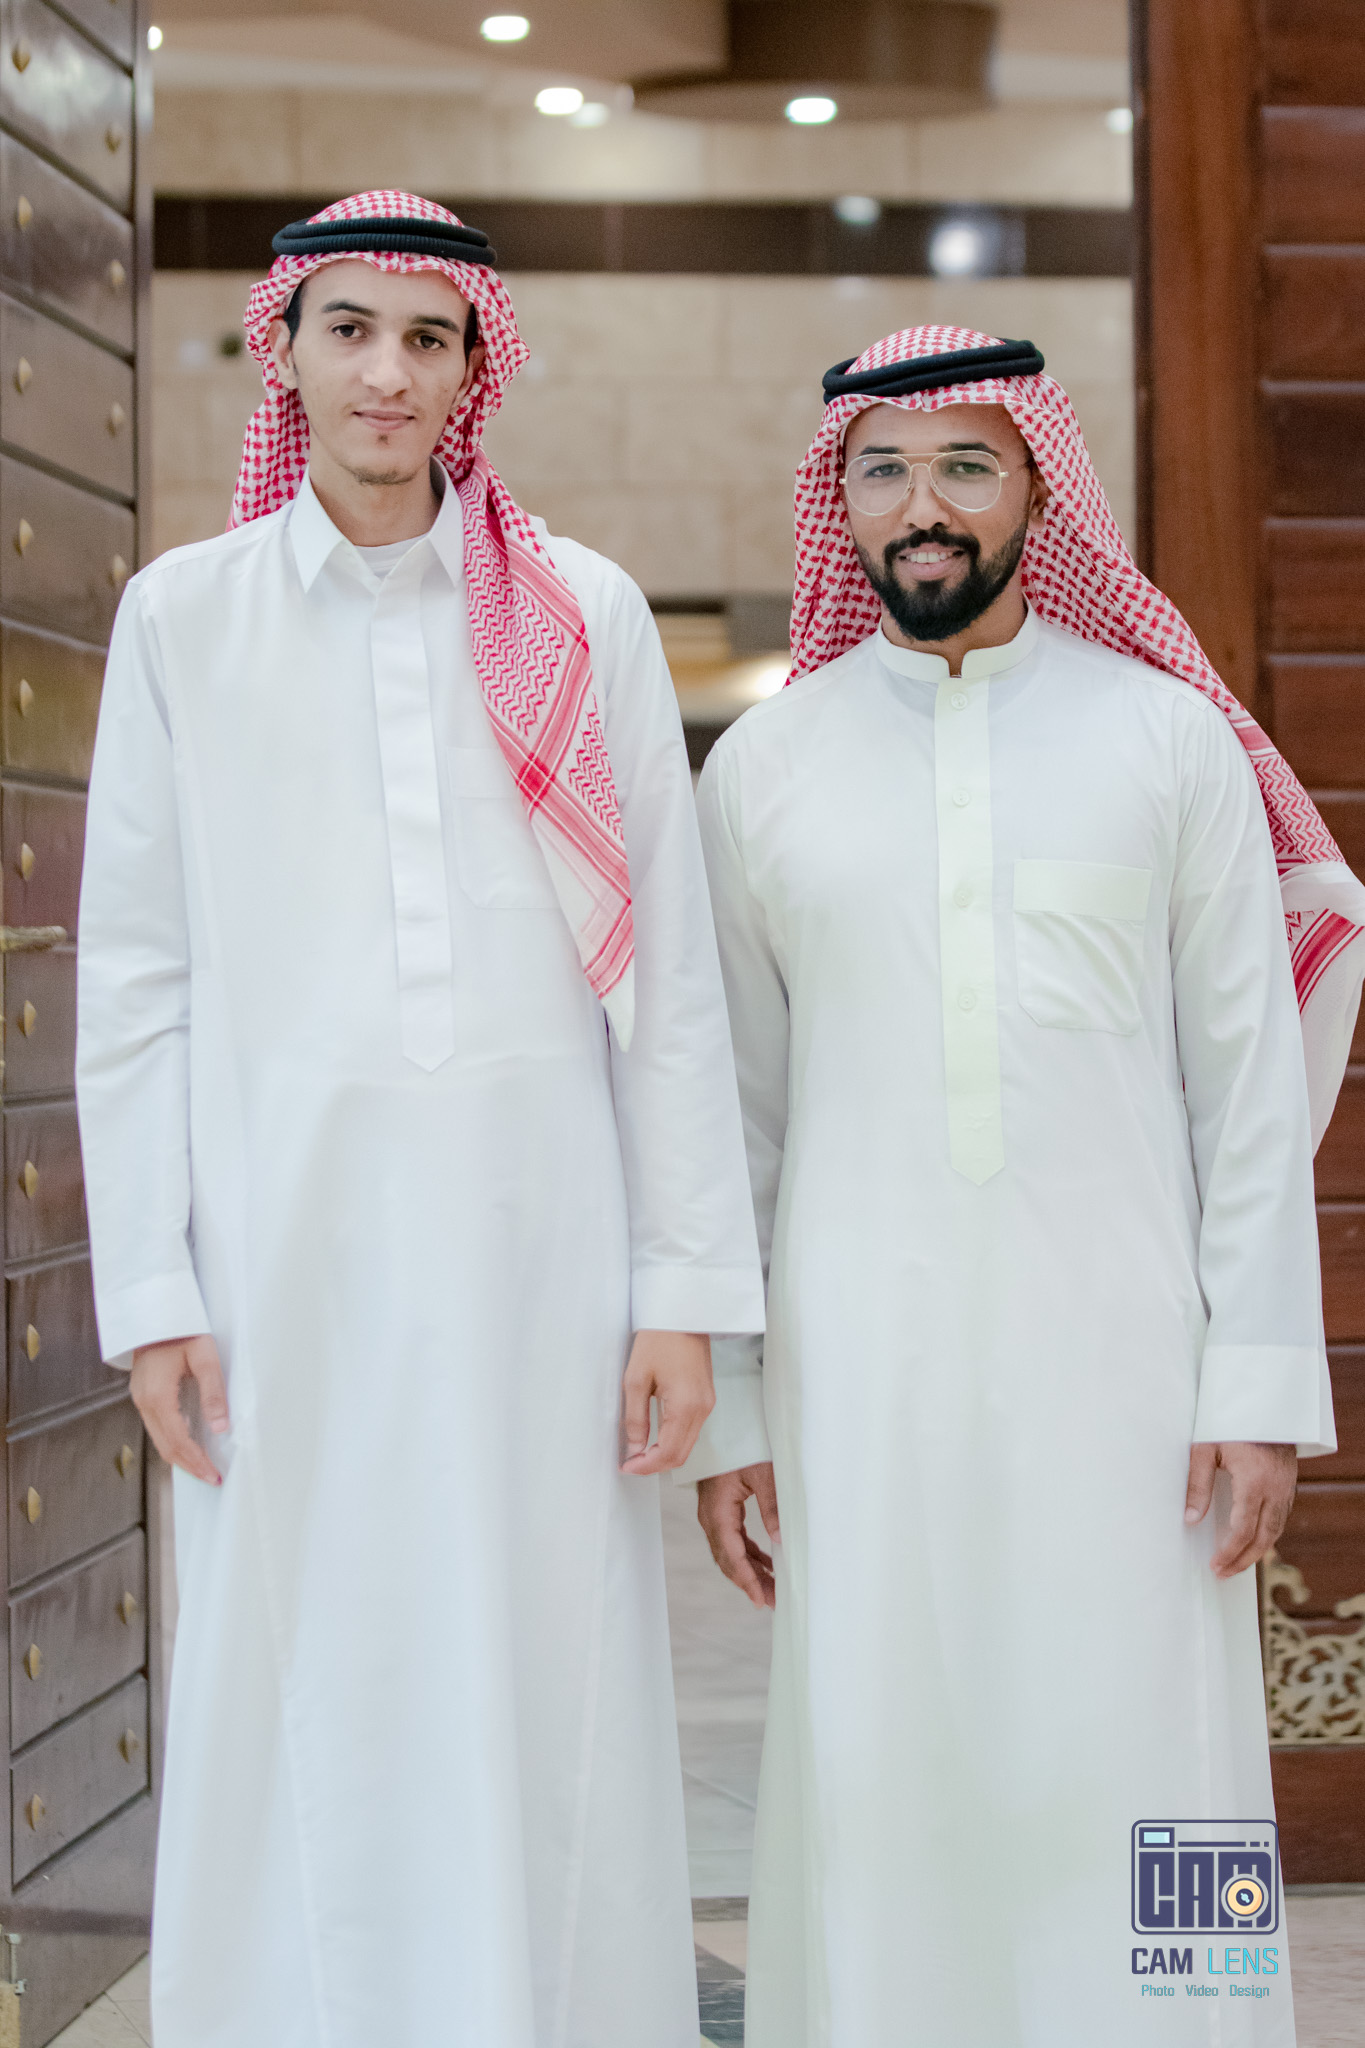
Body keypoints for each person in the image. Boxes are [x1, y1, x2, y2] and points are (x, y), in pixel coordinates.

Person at [76, 191, 764, 2048]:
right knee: (297, 1661)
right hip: (275, 1263)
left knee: (542, 1661)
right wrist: (152, 1292)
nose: (387, 373)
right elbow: (133, 980)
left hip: (545, 1263)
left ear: (474, 369)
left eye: (427, 338)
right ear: (284, 351)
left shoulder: (583, 614)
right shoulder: (183, 620)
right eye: (351, 330)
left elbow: (667, 983)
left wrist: (682, 1294)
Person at [683, 326, 1365, 2046]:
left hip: (1132, 1379)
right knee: (882, 1758)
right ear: (839, 500)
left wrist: (1257, 1387)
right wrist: (736, 1408)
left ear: (1040, 490)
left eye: (965, 465)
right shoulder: (763, 770)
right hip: (859, 1375)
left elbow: (1245, 1099)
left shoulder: (1165, 743)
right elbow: (731, 1120)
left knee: (1152, 1757)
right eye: (884, 470)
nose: (922, 505)